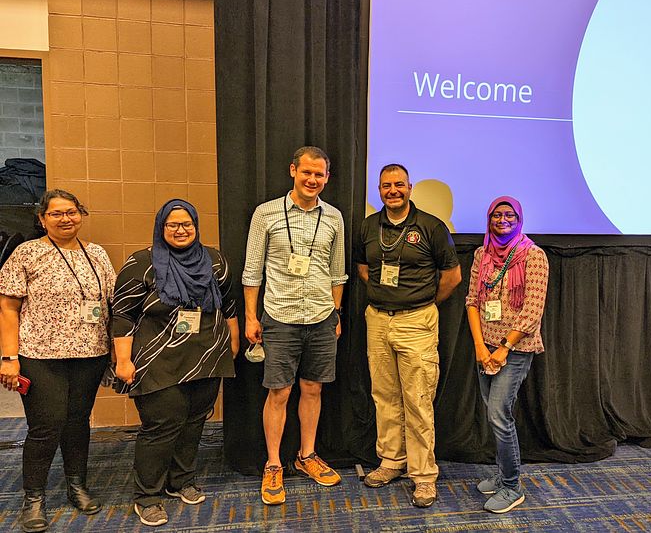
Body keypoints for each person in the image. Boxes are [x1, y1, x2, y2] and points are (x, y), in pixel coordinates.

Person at [112, 199, 239, 527]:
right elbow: (122, 314)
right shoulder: (142, 263)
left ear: (196, 226)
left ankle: (180, 481)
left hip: (207, 357)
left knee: (195, 420)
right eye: (173, 225)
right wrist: (123, 360)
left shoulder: (214, 260)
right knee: (161, 426)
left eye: (187, 224)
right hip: (158, 360)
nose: (181, 230)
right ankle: (147, 495)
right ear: (160, 227)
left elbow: (230, 304)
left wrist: (232, 343)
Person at [0, 189, 116, 533]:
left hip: (90, 354)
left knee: (78, 422)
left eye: (72, 212)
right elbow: (8, 309)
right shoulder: (27, 253)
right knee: (46, 426)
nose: (66, 219)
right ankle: (33, 498)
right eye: (57, 213)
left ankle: (76, 485)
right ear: (42, 218)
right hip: (40, 355)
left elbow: (110, 303)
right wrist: (8, 358)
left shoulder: (96, 253)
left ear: (81, 214)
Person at [242, 146, 347, 505]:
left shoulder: (333, 217)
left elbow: (338, 273)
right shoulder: (266, 213)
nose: (312, 180)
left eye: (319, 175)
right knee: (280, 393)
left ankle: (306, 456)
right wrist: (251, 317)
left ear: (326, 178)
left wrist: (336, 312)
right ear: (292, 171)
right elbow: (252, 270)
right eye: (307, 173)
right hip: (279, 317)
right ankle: (274, 464)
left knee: (313, 389)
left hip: (320, 318)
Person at [355, 163, 461, 508]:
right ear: (379, 189)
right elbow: (363, 268)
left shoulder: (432, 226)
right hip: (378, 320)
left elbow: (452, 276)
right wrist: (387, 298)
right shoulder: (369, 226)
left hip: (417, 321)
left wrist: (422, 302)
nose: (393, 190)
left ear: (410, 187)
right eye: (386, 185)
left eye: (399, 184)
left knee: (417, 399)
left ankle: (424, 476)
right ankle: (391, 461)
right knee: (384, 396)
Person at [465, 196, 549, 513]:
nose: (502, 219)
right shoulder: (481, 255)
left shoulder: (533, 256)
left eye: (509, 214)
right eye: (497, 214)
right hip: (484, 348)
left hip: (514, 350)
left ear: (519, 219)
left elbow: (531, 313)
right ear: (489, 219)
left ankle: (512, 487)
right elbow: (472, 301)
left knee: (500, 414)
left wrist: (503, 348)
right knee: (494, 414)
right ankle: (501, 478)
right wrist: (479, 347)